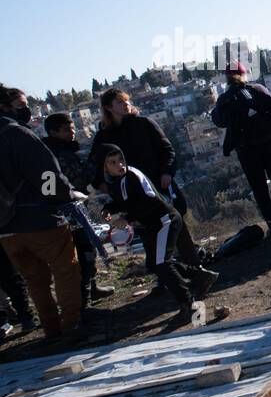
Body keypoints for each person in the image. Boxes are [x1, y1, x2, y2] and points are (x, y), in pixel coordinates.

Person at [0, 84, 84, 342]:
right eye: (21, 105)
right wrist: (66, 194)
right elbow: (47, 176)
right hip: (39, 219)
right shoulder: (17, 135)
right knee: (65, 269)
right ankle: (71, 325)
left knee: (34, 280)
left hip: (6, 228)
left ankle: (51, 328)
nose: (26, 110)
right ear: (4, 107)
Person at [100, 144, 218, 322]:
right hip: (152, 225)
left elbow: (146, 202)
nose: (119, 165)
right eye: (113, 162)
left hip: (164, 220)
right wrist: (108, 208)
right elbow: (124, 201)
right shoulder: (117, 182)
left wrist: (127, 218)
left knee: (162, 263)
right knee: (155, 264)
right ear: (105, 167)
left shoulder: (132, 176)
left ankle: (189, 303)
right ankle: (199, 276)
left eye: (121, 160)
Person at [91, 87, 203, 267]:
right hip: (133, 195)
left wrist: (167, 172)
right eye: (119, 101)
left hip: (159, 185)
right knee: (150, 237)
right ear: (108, 108)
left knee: (177, 228)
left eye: (126, 100)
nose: (126, 104)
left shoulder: (144, 123)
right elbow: (95, 168)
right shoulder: (103, 137)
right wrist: (108, 188)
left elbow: (167, 150)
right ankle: (166, 278)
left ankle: (196, 269)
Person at [211, 63, 271, 237]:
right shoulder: (258, 91)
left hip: (247, 150)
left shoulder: (225, 99)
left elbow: (219, 120)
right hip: (270, 144)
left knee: (259, 189)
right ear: (244, 75)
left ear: (227, 79)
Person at [42, 112, 115, 304]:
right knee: (84, 254)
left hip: (69, 210)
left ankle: (91, 288)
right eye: (67, 129)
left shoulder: (53, 151)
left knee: (86, 250)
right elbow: (81, 179)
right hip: (70, 213)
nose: (72, 132)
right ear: (53, 132)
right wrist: (96, 160)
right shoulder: (60, 154)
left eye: (73, 128)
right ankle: (85, 300)